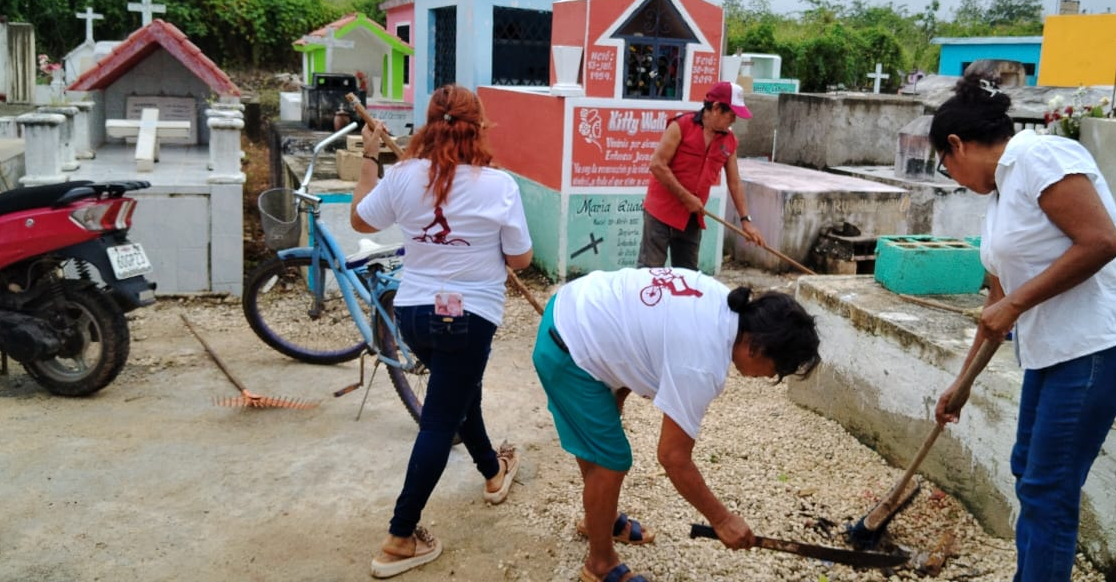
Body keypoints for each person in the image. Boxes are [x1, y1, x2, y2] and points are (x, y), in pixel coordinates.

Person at [929, 73, 1116, 582]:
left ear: (957, 145)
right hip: (1055, 351)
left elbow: (1101, 242)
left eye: (947, 167)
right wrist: (962, 384)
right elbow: (997, 300)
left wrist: (1016, 305)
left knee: (1049, 487)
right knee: (1029, 472)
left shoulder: (1039, 158)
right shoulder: (999, 197)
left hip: (1100, 346)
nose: (954, 178)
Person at [532, 266, 821, 582]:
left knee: (601, 445)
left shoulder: (722, 300)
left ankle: (601, 519)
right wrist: (722, 520)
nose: (769, 377)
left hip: (572, 308)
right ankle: (600, 564)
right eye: (775, 369)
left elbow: (644, 332)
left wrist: (620, 391)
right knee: (612, 460)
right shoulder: (702, 364)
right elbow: (673, 457)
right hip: (567, 349)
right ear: (755, 346)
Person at [350, 84, 534, 579]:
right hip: (468, 317)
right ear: (479, 127)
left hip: (414, 316)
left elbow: (359, 218)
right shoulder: (499, 186)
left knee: (457, 396)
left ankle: (494, 473)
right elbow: (520, 258)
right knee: (438, 421)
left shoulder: (404, 175)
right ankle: (400, 537)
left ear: (428, 124)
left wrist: (370, 158)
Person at [637, 81, 765, 269]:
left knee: (688, 276)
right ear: (715, 108)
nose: (734, 121)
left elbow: (735, 182)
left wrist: (746, 221)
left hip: (692, 216)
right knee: (649, 272)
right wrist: (686, 197)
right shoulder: (681, 126)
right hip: (660, 212)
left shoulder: (729, 141)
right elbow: (657, 165)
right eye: (731, 114)